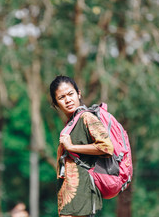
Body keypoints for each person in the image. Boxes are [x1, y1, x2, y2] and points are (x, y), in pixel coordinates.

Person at [49, 75, 114, 217]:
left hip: (82, 193)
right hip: (70, 195)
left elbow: (107, 147)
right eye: (61, 98)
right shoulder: (72, 123)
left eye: (71, 94)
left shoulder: (87, 117)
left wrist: (72, 147)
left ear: (79, 93)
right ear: (55, 103)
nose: (67, 100)